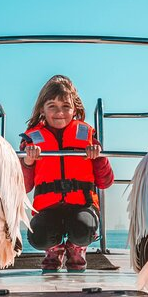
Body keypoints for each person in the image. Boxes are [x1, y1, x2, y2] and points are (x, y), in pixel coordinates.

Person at [20, 75, 114, 272]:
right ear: (42, 109)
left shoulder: (88, 137)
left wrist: (98, 157)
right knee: (38, 235)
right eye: (52, 105)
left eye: (66, 106)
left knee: (83, 228)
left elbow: (105, 182)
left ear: (75, 109)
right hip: (48, 209)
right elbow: (23, 187)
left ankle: (76, 249)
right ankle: (53, 251)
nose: (59, 112)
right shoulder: (31, 140)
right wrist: (28, 162)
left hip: (82, 205)